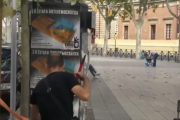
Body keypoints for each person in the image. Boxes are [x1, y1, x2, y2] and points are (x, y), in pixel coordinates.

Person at [30, 53, 91, 120]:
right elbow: (85, 96)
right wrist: (85, 79)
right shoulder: (68, 77)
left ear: (46, 66)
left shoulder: (39, 86)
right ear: (63, 66)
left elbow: (34, 116)